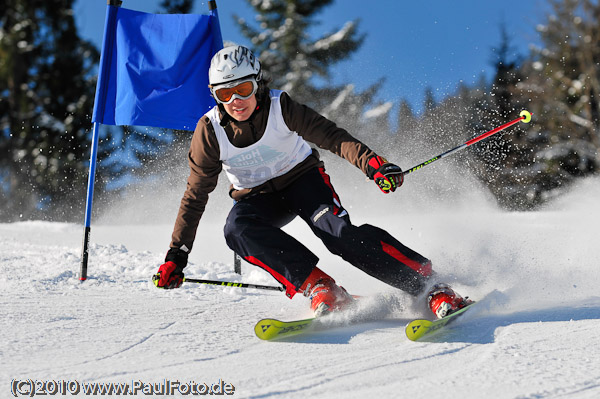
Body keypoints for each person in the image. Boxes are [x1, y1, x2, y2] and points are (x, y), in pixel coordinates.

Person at [153, 45, 470, 319]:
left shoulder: (281, 107)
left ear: (257, 84)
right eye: (224, 93)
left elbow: (331, 137)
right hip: (257, 198)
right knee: (238, 230)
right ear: (214, 95)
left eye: (244, 89)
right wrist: (177, 254)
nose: (236, 100)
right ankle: (321, 288)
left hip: (303, 182)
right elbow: (196, 194)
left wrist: (374, 166)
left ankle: (430, 287)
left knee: (339, 234)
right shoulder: (209, 132)